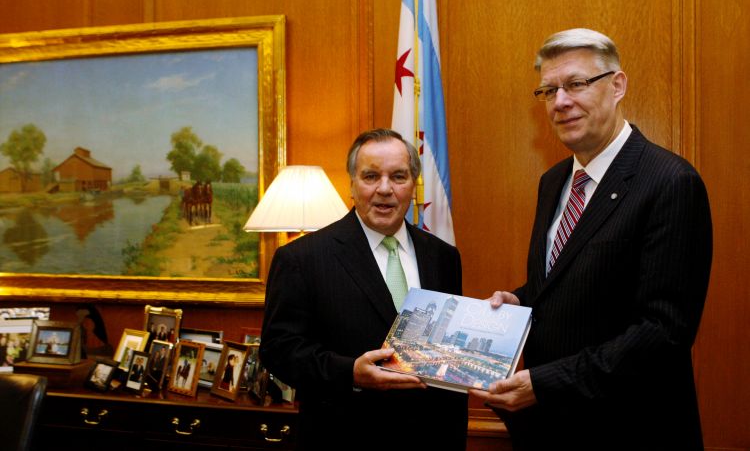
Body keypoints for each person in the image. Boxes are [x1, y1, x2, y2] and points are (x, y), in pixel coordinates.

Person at [470, 28, 713, 450]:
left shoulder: (671, 182)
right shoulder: (554, 181)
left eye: (576, 84)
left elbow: (663, 333)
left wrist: (546, 383)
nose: (561, 102)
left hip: (630, 430)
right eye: (549, 90)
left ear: (617, 86)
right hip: (551, 430)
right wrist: (521, 299)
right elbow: (573, 281)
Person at [260, 128, 467, 449]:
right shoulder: (302, 258)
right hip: (344, 438)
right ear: (352, 185)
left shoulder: (443, 256)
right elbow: (279, 350)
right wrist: (350, 373)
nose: (385, 189)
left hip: (432, 438)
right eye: (371, 176)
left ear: (413, 185)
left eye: (398, 176)